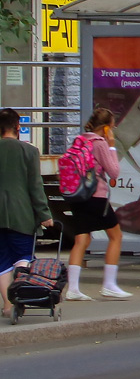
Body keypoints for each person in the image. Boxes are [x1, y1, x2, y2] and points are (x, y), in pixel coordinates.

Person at [66, 107, 131, 300]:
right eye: (112, 127)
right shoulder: (100, 143)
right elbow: (114, 172)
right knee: (116, 236)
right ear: (105, 128)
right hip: (96, 197)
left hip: (78, 197)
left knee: (82, 240)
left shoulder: (80, 140)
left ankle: (73, 289)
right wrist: (111, 145)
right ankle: (109, 285)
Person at [0, 108, 55, 318]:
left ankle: (7, 305)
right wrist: (44, 215)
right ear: (18, 127)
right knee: (23, 256)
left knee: (2, 261)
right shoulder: (29, 151)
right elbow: (35, 187)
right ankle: (21, 296)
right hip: (21, 215)